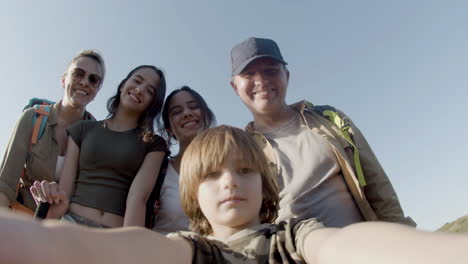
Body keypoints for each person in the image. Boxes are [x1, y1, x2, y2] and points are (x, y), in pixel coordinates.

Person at [0, 125, 466, 264]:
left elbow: (342, 246)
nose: (230, 182)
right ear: (190, 192)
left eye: (245, 171)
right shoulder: (192, 250)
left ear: (264, 184)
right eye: (212, 175)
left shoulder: (290, 237)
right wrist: (43, 243)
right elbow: (136, 250)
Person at [229, 37, 416, 227]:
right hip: (294, 255)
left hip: (364, 248)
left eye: (271, 70)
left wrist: (400, 232)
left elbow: (378, 185)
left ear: (287, 75)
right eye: (249, 74)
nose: (261, 80)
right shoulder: (239, 151)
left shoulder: (329, 119)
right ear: (235, 87)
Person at [29, 65, 168, 228]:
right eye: (137, 81)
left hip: (113, 235)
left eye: (150, 91)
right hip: (71, 225)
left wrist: (128, 246)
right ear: (123, 84)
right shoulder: (82, 129)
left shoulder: (154, 144)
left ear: (153, 102)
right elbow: (65, 191)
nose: (139, 89)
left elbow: (138, 199)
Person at [0, 50, 105, 212]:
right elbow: (5, 184)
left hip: (64, 230)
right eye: (78, 74)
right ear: (64, 80)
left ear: (97, 89)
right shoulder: (33, 118)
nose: (84, 82)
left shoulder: (96, 136)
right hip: (23, 219)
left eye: (93, 79)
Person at [153, 85, 216, 233]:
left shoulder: (227, 165)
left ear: (206, 116)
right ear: (169, 128)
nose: (187, 113)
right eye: (177, 112)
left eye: (194, 107)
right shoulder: (159, 171)